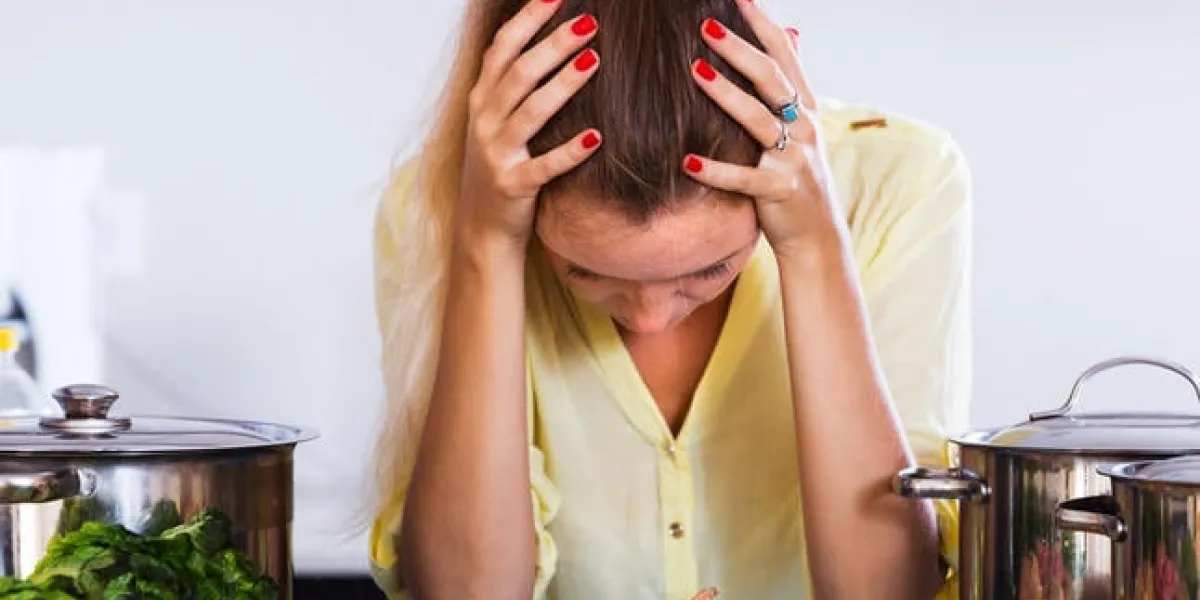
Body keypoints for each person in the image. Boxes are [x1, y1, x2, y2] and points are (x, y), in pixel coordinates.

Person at [367, 0, 971, 598]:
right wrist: (487, 243)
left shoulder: (900, 182)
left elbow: (888, 592)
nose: (651, 319)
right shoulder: (438, 210)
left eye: (709, 270)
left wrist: (813, 248)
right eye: (586, 273)